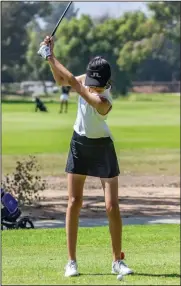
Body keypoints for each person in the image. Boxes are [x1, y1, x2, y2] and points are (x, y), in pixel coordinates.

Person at [38, 36, 133, 278]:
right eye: (91, 81)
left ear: (106, 82)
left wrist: (49, 56)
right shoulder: (85, 81)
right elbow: (62, 79)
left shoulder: (104, 101)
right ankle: (71, 262)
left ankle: (116, 261)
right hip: (79, 143)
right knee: (74, 202)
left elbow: (73, 83)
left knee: (112, 206)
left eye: (97, 83)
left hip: (102, 147)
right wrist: (51, 55)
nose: (94, 86)